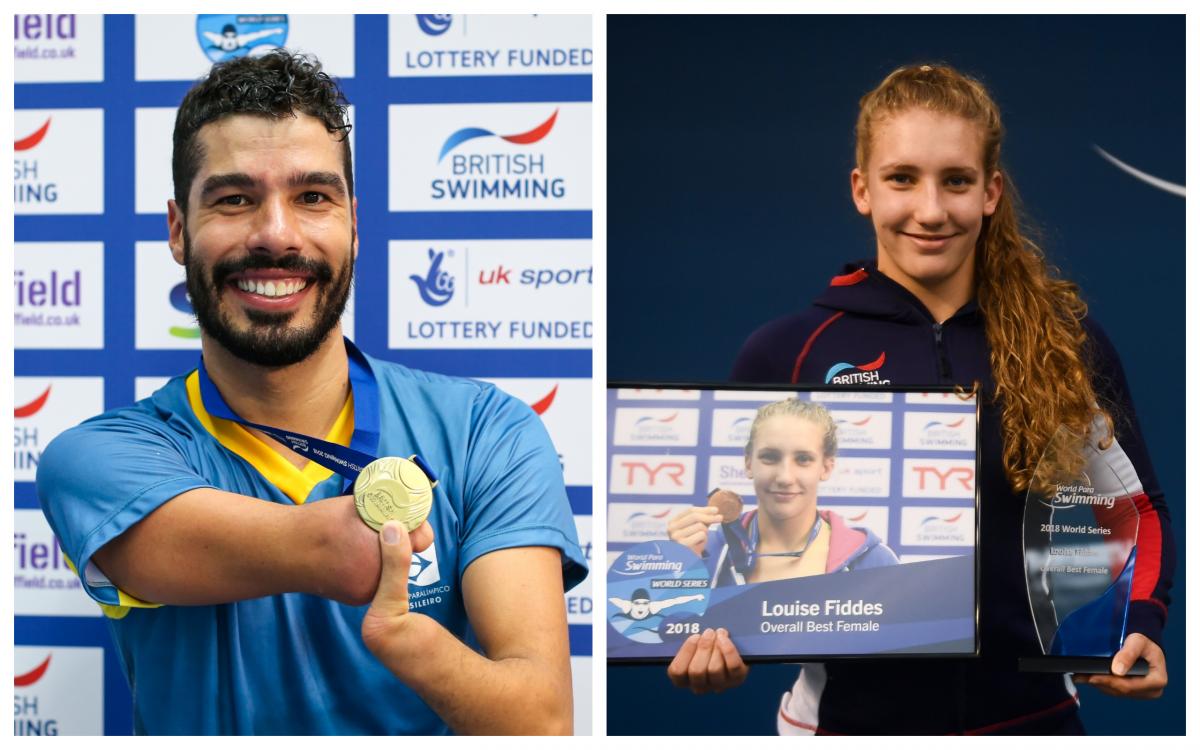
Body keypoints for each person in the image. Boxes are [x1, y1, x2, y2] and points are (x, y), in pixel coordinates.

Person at [36, 50, 586, 735]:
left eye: (312, 197)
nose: (275, 233)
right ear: (180, 231)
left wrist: (413, 643)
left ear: (354, 223)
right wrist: (357, 546)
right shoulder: (95, 457)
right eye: (234, 199)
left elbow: (540, 722)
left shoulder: (486, 431)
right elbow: (335, 550)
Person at [666, 64, 1174, 734]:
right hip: (843, 726)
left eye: (956, 181)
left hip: (1035, 719)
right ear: (862, 190)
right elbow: (722, 531)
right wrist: (706, 631)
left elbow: (1134, 507)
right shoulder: (787, 352)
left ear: (990, 192)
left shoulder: (1063, 342)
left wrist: (1139, 624)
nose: (930, 210)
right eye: (902, 178)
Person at [667, 398, 897, 587]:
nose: (785, 477)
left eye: (803, 459)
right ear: (748, 463)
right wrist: (674, 572)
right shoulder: (703, 552)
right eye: (770, 457)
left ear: (826, 467)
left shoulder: (873, 562)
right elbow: (654, 635)